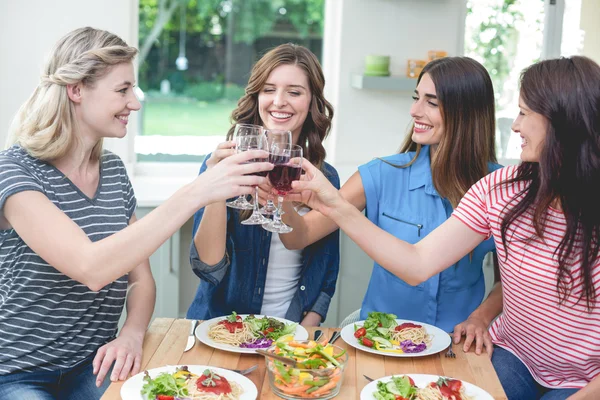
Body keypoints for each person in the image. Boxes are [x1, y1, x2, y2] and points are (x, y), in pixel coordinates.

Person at [288, 55, 600, 399]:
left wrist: (480, 317)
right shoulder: (500, 189)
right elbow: (417, 263)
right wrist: (332, 203)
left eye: (524, 113)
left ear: (561, 122)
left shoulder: (494, 181)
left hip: (577, 376)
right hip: (515, 357)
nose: (514, 125)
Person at [0, 27, 271, 399]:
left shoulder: (111, 171)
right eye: (122, 90)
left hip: (93, 364)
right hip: (17, 373)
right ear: (76, 90)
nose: (135, 103)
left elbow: (140, 280)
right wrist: (197, 191)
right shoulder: (15, 170)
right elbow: (91, 268)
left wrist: (131, 333)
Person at [279, 56, 502, 335]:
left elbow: (510, 281)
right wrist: (280, 198)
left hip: (455, 344)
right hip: (381, 341)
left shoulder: (500, 189)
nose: (414, 110)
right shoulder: (380, 174)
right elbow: (298, 236)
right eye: (416, 97)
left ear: (466, 112)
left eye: (431, 102)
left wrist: (481, 318)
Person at [186, 43, 340, 326]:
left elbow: (326, 267)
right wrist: (214, 188)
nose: (279, 101)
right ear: (257, 96)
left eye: (294, 92)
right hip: (223, 327)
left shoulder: (325, 178)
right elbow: (208, 267)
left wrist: (305, 333)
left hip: (289, 329)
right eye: (269, 90)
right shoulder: (221, 164)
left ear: (312, 102)